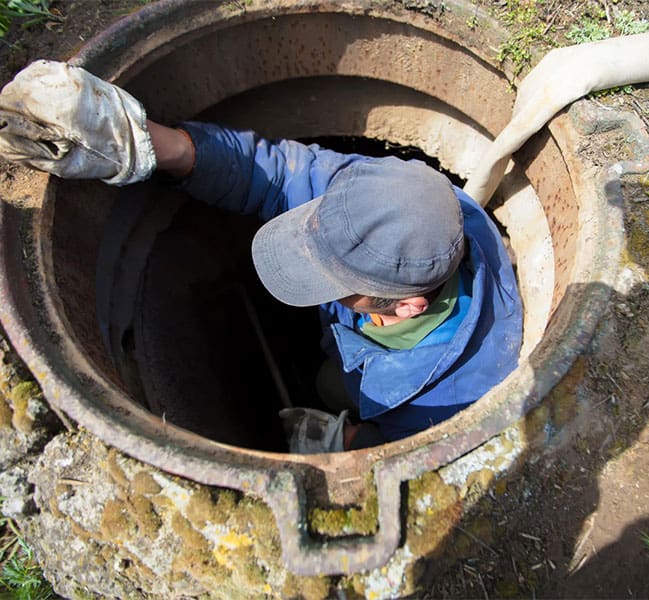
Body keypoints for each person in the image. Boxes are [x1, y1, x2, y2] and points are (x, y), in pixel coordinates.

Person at [0, 60, 523, 452]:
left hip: (383, 379)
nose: (309, 265)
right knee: (327, 379)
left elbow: (410, 446)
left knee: (327, 386)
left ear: (405, 305)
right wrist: (147, 146)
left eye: (332, 279)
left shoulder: (455, 391)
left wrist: (345, 445)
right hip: (362, 350)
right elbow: (277, 172)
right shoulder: (394, 198)